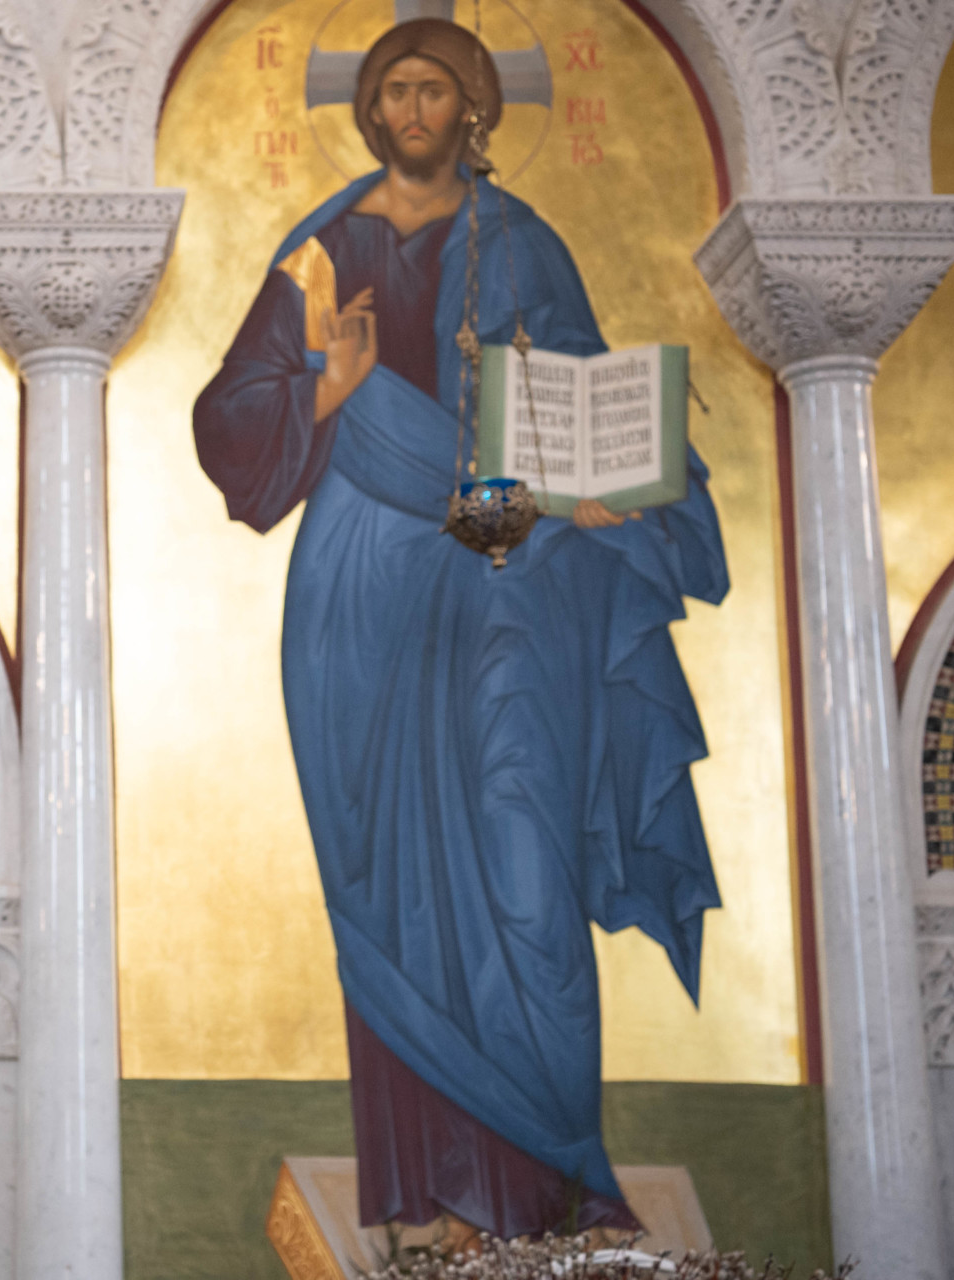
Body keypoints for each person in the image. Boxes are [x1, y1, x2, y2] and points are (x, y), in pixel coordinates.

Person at [192, 19, 728, 1241]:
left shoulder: (521, 240)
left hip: (506, 577)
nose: (412, 110)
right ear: (369, 112)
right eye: (393, 91)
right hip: (360, 585)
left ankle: (559, 1181)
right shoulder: (321, 249)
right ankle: (437, 1201)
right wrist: (325, 388)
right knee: (385, 884)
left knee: (526, 868)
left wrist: (602, 487)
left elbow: (578, 401)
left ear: (472, 106)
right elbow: (229, 415)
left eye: (433, 89)